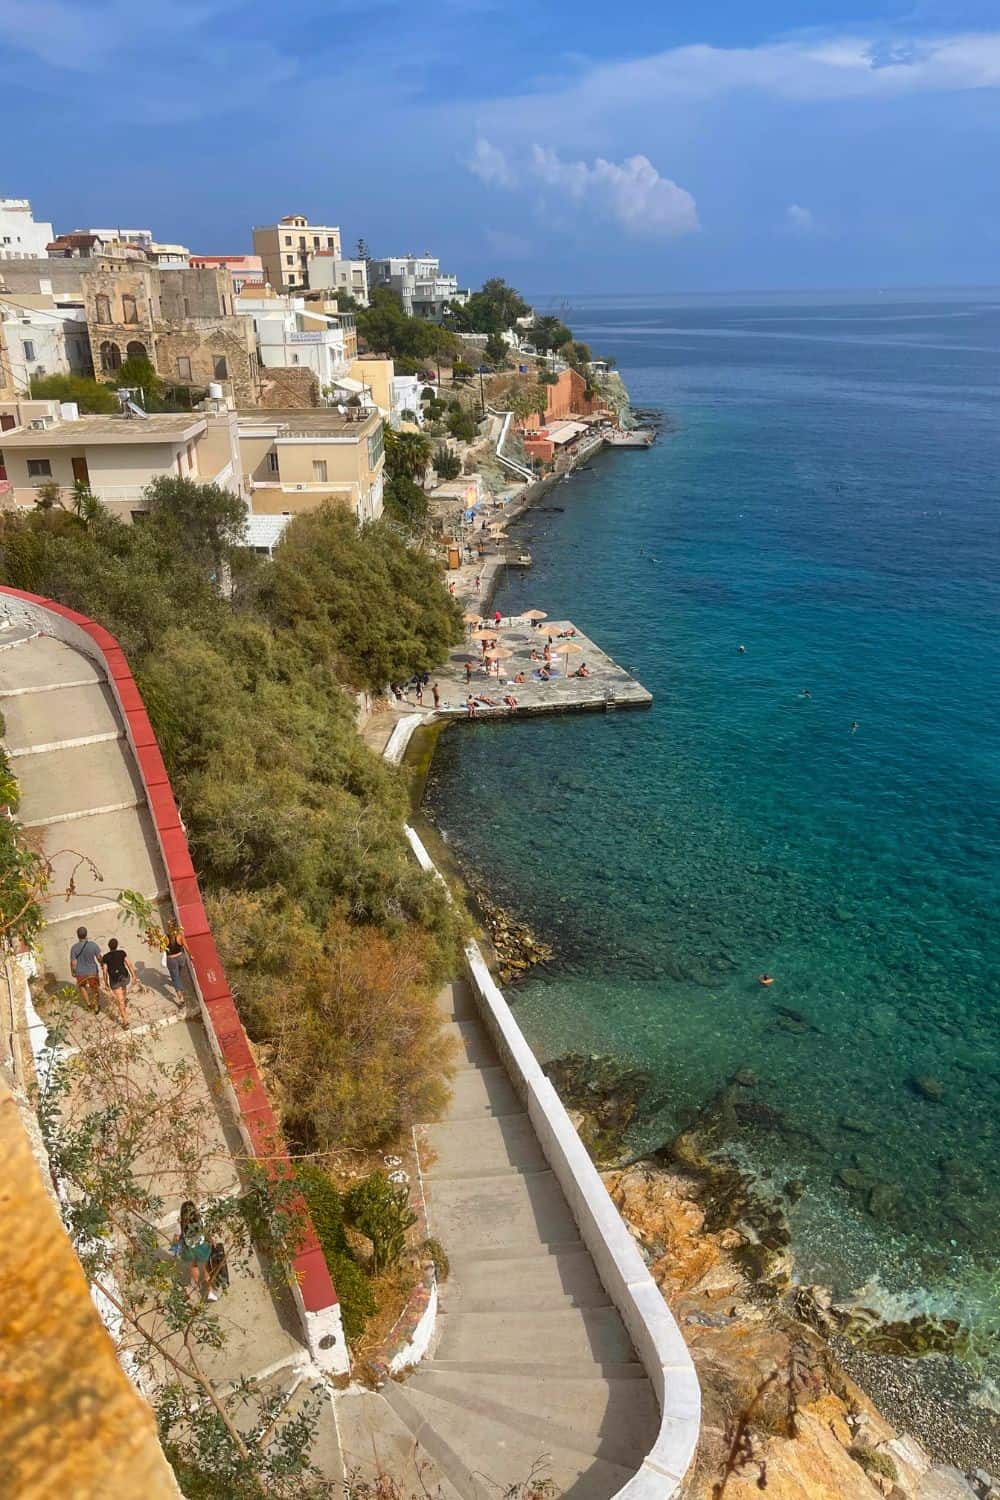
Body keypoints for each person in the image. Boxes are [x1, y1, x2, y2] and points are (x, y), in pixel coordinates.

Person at [173, 1201, 218, 1301]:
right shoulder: (201, 1220)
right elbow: (206, 1232)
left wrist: (175, 1250)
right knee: (206, 1268)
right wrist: (212, 1240)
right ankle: (209, 1292)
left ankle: (197, 1283)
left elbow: (177, 1238)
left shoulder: (180, 1225)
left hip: (189, 1250)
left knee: (193, 1266)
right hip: (202, 1248)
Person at [101, 938, 137, 1029]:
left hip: (114, 980)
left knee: (120, 1000)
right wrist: (134, 976)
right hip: (124, 977)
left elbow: (104, 971)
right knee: (123, 989)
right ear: (117, 945)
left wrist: (106, 983)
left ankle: (125, 1021)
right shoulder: (122, 953)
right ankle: (123, 1002)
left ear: (109, 947)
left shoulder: (105, 957)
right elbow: (129, 964)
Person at [70, 926, 103, 1010]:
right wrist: (102, 965)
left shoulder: (74, 948)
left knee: (82, 986)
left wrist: (73, 971)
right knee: (94, 988)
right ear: (86, 934)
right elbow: (99, 957)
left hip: (80, 972)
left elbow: (73, 962)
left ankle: (88, 1004)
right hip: (92, 971)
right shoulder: (93, 945)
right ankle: (96, 1006)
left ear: (77, 935)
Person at [164, 923, 191, 1007]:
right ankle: (177, 982)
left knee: (175, 977)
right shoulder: (180, 936)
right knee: (177, 974)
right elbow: (186, 946)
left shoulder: (165, 938)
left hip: (171, 960)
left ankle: (181, 999)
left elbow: (162, 949)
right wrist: (190, 955)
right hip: (181, 958)